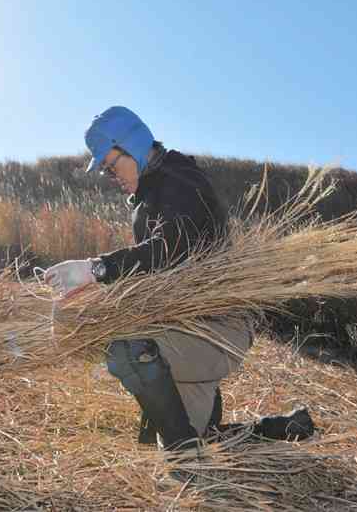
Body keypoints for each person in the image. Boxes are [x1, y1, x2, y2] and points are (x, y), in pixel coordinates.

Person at [44, 106, 314, 450]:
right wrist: (93, 294)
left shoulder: (181, 180)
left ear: (135, 146)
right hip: (186, 326)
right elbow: (152, 273)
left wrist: (96, 268)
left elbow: (171, 248)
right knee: (179, 436)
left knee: (132, 352)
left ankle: (188, 467)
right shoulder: (146, 199)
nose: (113, 177)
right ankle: (283, 427)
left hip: (216, 329)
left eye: (113, 166)